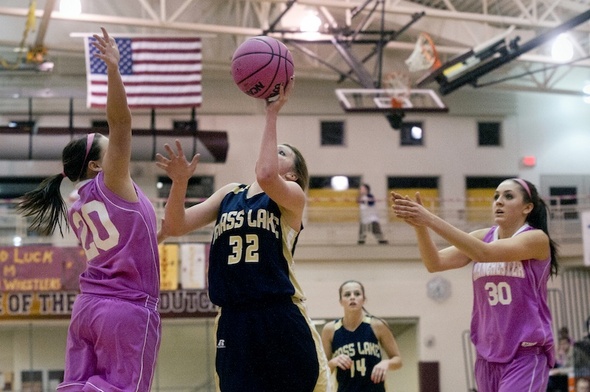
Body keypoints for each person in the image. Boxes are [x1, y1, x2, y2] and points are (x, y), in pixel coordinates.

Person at [156, 80, 330, 392]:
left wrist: (272, 114)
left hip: (279, 313)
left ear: (292, 174)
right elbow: (174, 225)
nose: (273, 151)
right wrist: (179, 182)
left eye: (282, 152)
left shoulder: (291, 197)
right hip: (234, 318)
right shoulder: (229, 194)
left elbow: (265, 174)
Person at [17, 28, 161, 391]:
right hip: (125, 310)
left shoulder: (75, 202)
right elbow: (122, 122)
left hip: (86, 309)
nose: (114, 146)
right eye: (106, 145)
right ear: (98, 165)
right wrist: (113, 68)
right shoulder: (111, 184)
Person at [391, 178, 558, 392]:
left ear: (527, 207)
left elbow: (484, 253)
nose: (498, 201)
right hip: (487, 355)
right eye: (496, 196)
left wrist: (430, 219)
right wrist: (420, 226)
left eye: (508, 196)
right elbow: (435, 263)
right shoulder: (482, 236)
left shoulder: (535, 239)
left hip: (525, 354)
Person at [321, 280, 402, 392]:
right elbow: (323, 370)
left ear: (364, 300)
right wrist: (333, 362)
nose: (352, 297)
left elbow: (398, 360)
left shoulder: (377, 325)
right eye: (347, 294)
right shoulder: (330, 330)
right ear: (341, 301)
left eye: (357, 294)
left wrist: (386, 363)